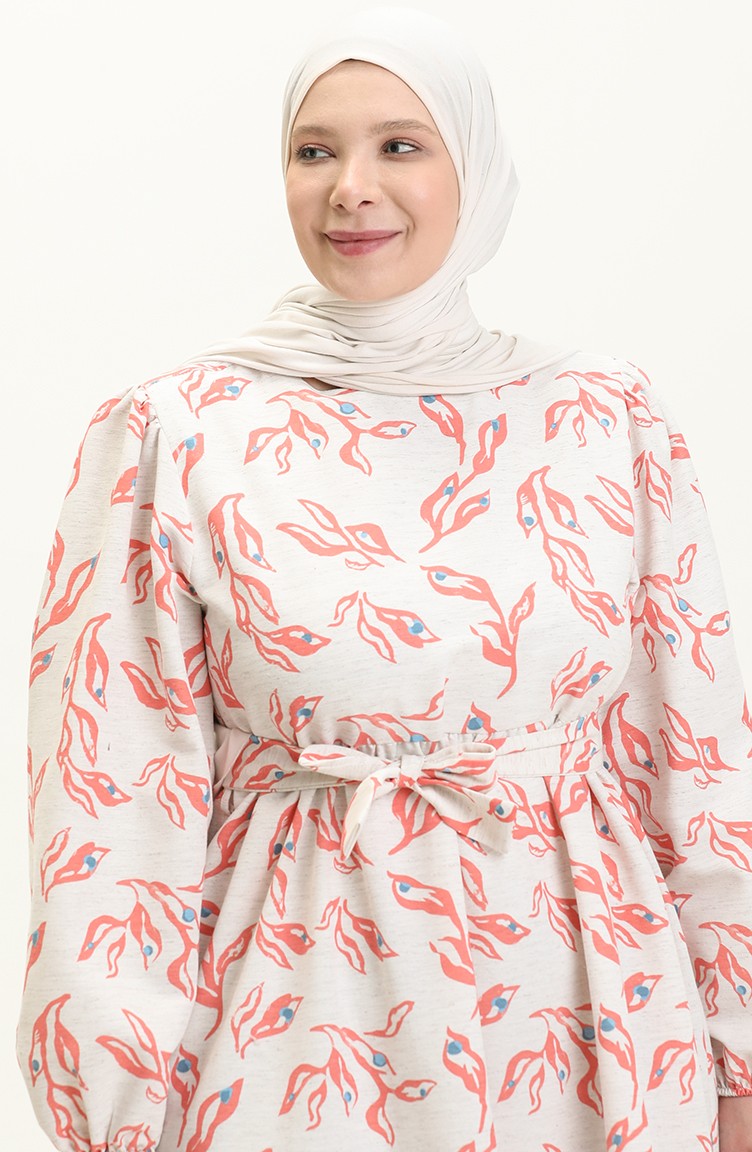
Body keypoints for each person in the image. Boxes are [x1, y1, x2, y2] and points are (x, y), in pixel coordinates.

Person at [16, 8, 752, 1151]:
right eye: (313, 151)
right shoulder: (178, 431)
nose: (349, 189)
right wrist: (111, 1115)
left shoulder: (604, 416)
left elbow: (694, 759)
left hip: (598, 1024)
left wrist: (734, 1059)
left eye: (398, 145)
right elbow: (109, 807)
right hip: (293, 1031)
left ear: (476, 166)